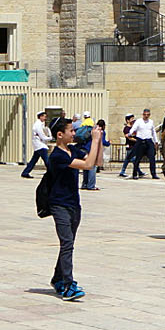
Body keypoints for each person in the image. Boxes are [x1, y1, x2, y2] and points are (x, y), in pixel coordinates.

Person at [42, 117, 102, 300]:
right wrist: (96, 140)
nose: (74, 133)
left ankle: (58, 278)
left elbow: (96, 162)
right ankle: (68, 285)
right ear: (60, 135)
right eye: (71, 131)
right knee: (66, 243)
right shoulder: (57, 156)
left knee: (68, 244)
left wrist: (97, 143)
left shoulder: (72, 150)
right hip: (59, 204)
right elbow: (87, 165)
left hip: (74, 204)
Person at [21, 110, 52, 177]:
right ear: (40, 117)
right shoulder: (38, 125)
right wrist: (50, 138)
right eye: (44, 117)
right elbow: (42, 135)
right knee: (47, 160)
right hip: (40, 145)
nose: (45, 118)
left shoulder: (40, 124)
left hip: (39, 145)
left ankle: (25, 172)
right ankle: (52, 173)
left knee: (34, 160)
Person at [129, 109, 158, 179]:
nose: (146, 116)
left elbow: (153, 132)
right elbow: (133, 128)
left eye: (148, 115)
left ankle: (154, 174)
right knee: (138, 158)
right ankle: (135, 174)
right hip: (140, 140)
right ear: (143, 114)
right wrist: (130, 133)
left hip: (149, 140)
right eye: (145, 115)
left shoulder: (151, 122)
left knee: (152, 158)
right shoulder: (139, 121)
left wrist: (156, 141)